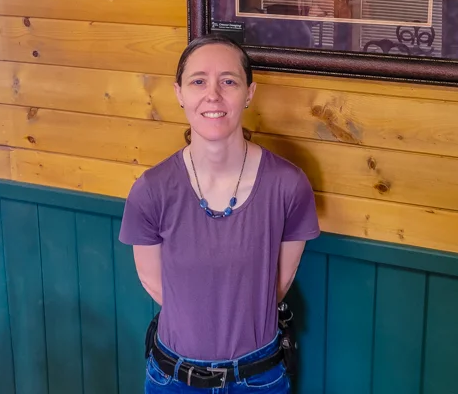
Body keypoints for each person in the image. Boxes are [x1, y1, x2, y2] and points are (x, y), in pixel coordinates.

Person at [118, 33, 321, 393]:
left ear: (249, 93)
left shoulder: (289, 186)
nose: (213, 95)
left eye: (228, 81)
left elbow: (278, 283)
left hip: (259, 377)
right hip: (172, 378)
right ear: (179, 93)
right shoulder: (150, 190)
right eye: (198, 81)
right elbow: (155, 282)